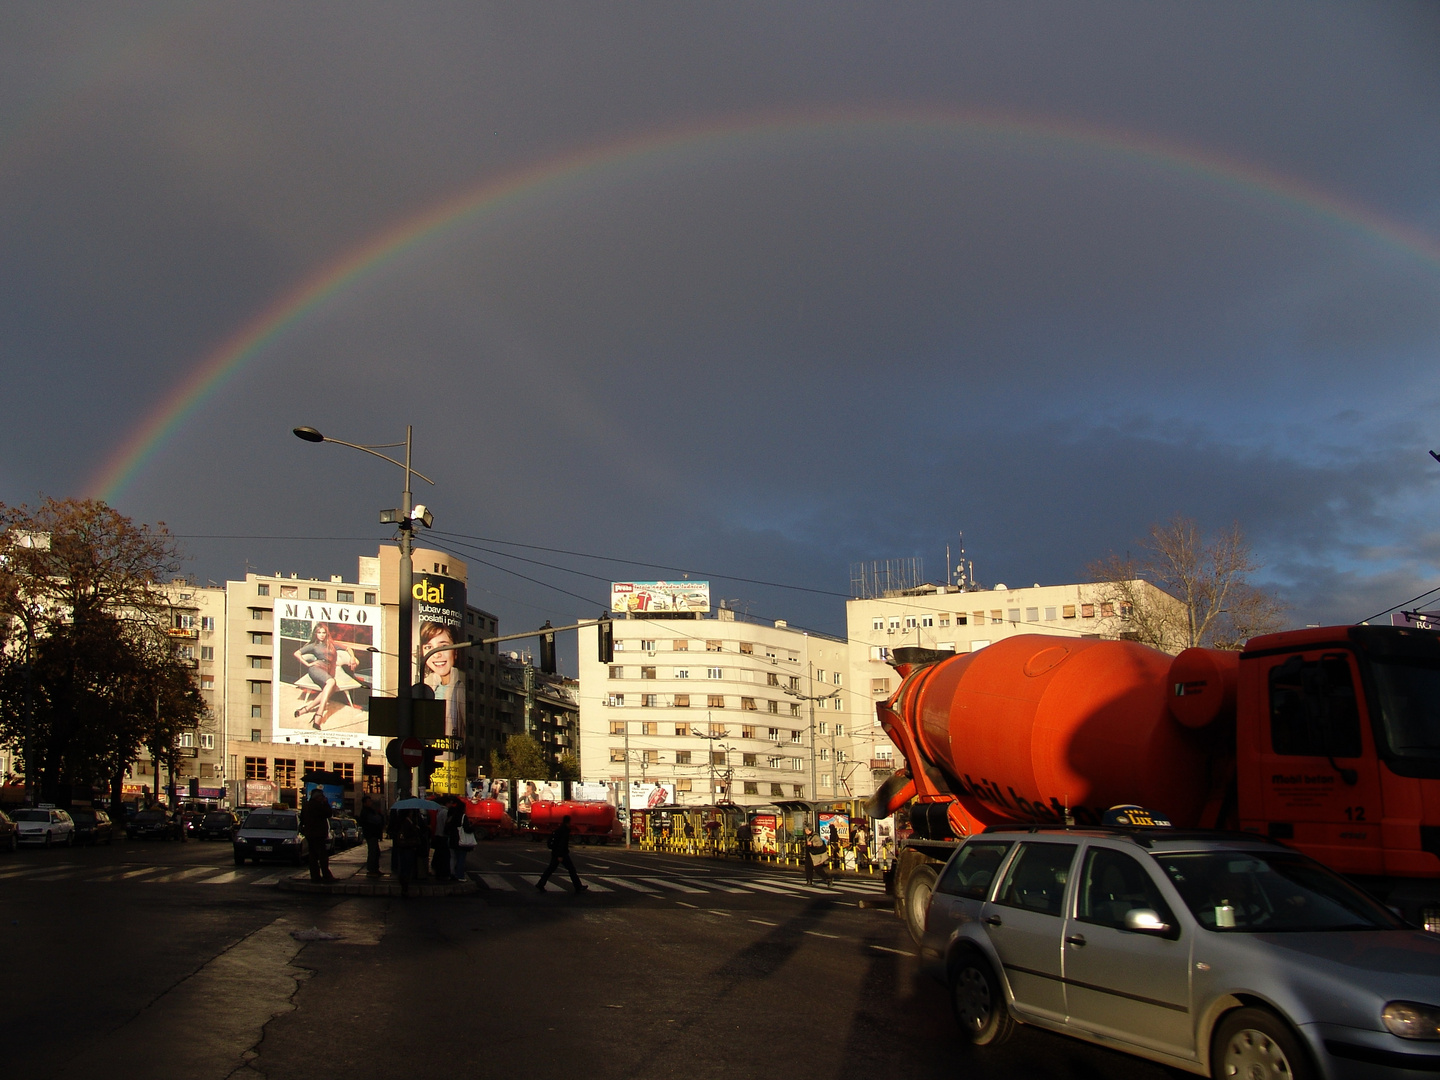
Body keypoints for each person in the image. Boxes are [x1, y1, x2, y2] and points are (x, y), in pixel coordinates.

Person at [537, 814, 587, 893]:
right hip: (562, 854)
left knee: (551, 869)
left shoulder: (560, 829)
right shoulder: (565, 831)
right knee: (571, 869)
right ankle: (578, 886)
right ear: (568, 822)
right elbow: (562, 843)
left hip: (556, 853)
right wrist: (560, 855)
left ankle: (541, 883)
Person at [388, 807, 427, 897]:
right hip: (408, 846)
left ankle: (404, 884)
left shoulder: (403, 821)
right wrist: (416, 829)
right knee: (406, 866)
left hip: (402, 846)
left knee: (404, 865)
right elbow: (408, 834)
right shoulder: (407, 822)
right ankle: (405, 887)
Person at [301, 787, 334, 883]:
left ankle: (315, 876)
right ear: (318, 797)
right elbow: (328, 813)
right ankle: (326, 876)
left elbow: (302, 818)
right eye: (322, 796)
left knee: (313, 856)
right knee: (322, 856)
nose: (323, 797)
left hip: (309, 833)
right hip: (318, 833)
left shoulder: (306, 805)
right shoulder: (318, 805)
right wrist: (326, 803)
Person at [359, 794, 386, 877]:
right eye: (369, 801)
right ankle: (372, 870)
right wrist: (379, 817)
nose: (371, 803)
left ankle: (375, 869)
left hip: (373, 834)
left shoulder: (370, 811)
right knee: (373, 852)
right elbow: (376, 820)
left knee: (376, 852)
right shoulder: (366, 812)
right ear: (365, 803)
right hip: (371, 834)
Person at [450, 797, 476, 880]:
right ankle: (460, 875)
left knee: (455, 858)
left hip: (453, 839)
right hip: (461, 840)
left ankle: (453, 873)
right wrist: (473, 827)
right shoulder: (463, 817)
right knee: (461, 859)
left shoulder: (453, 816)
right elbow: (467, 829)